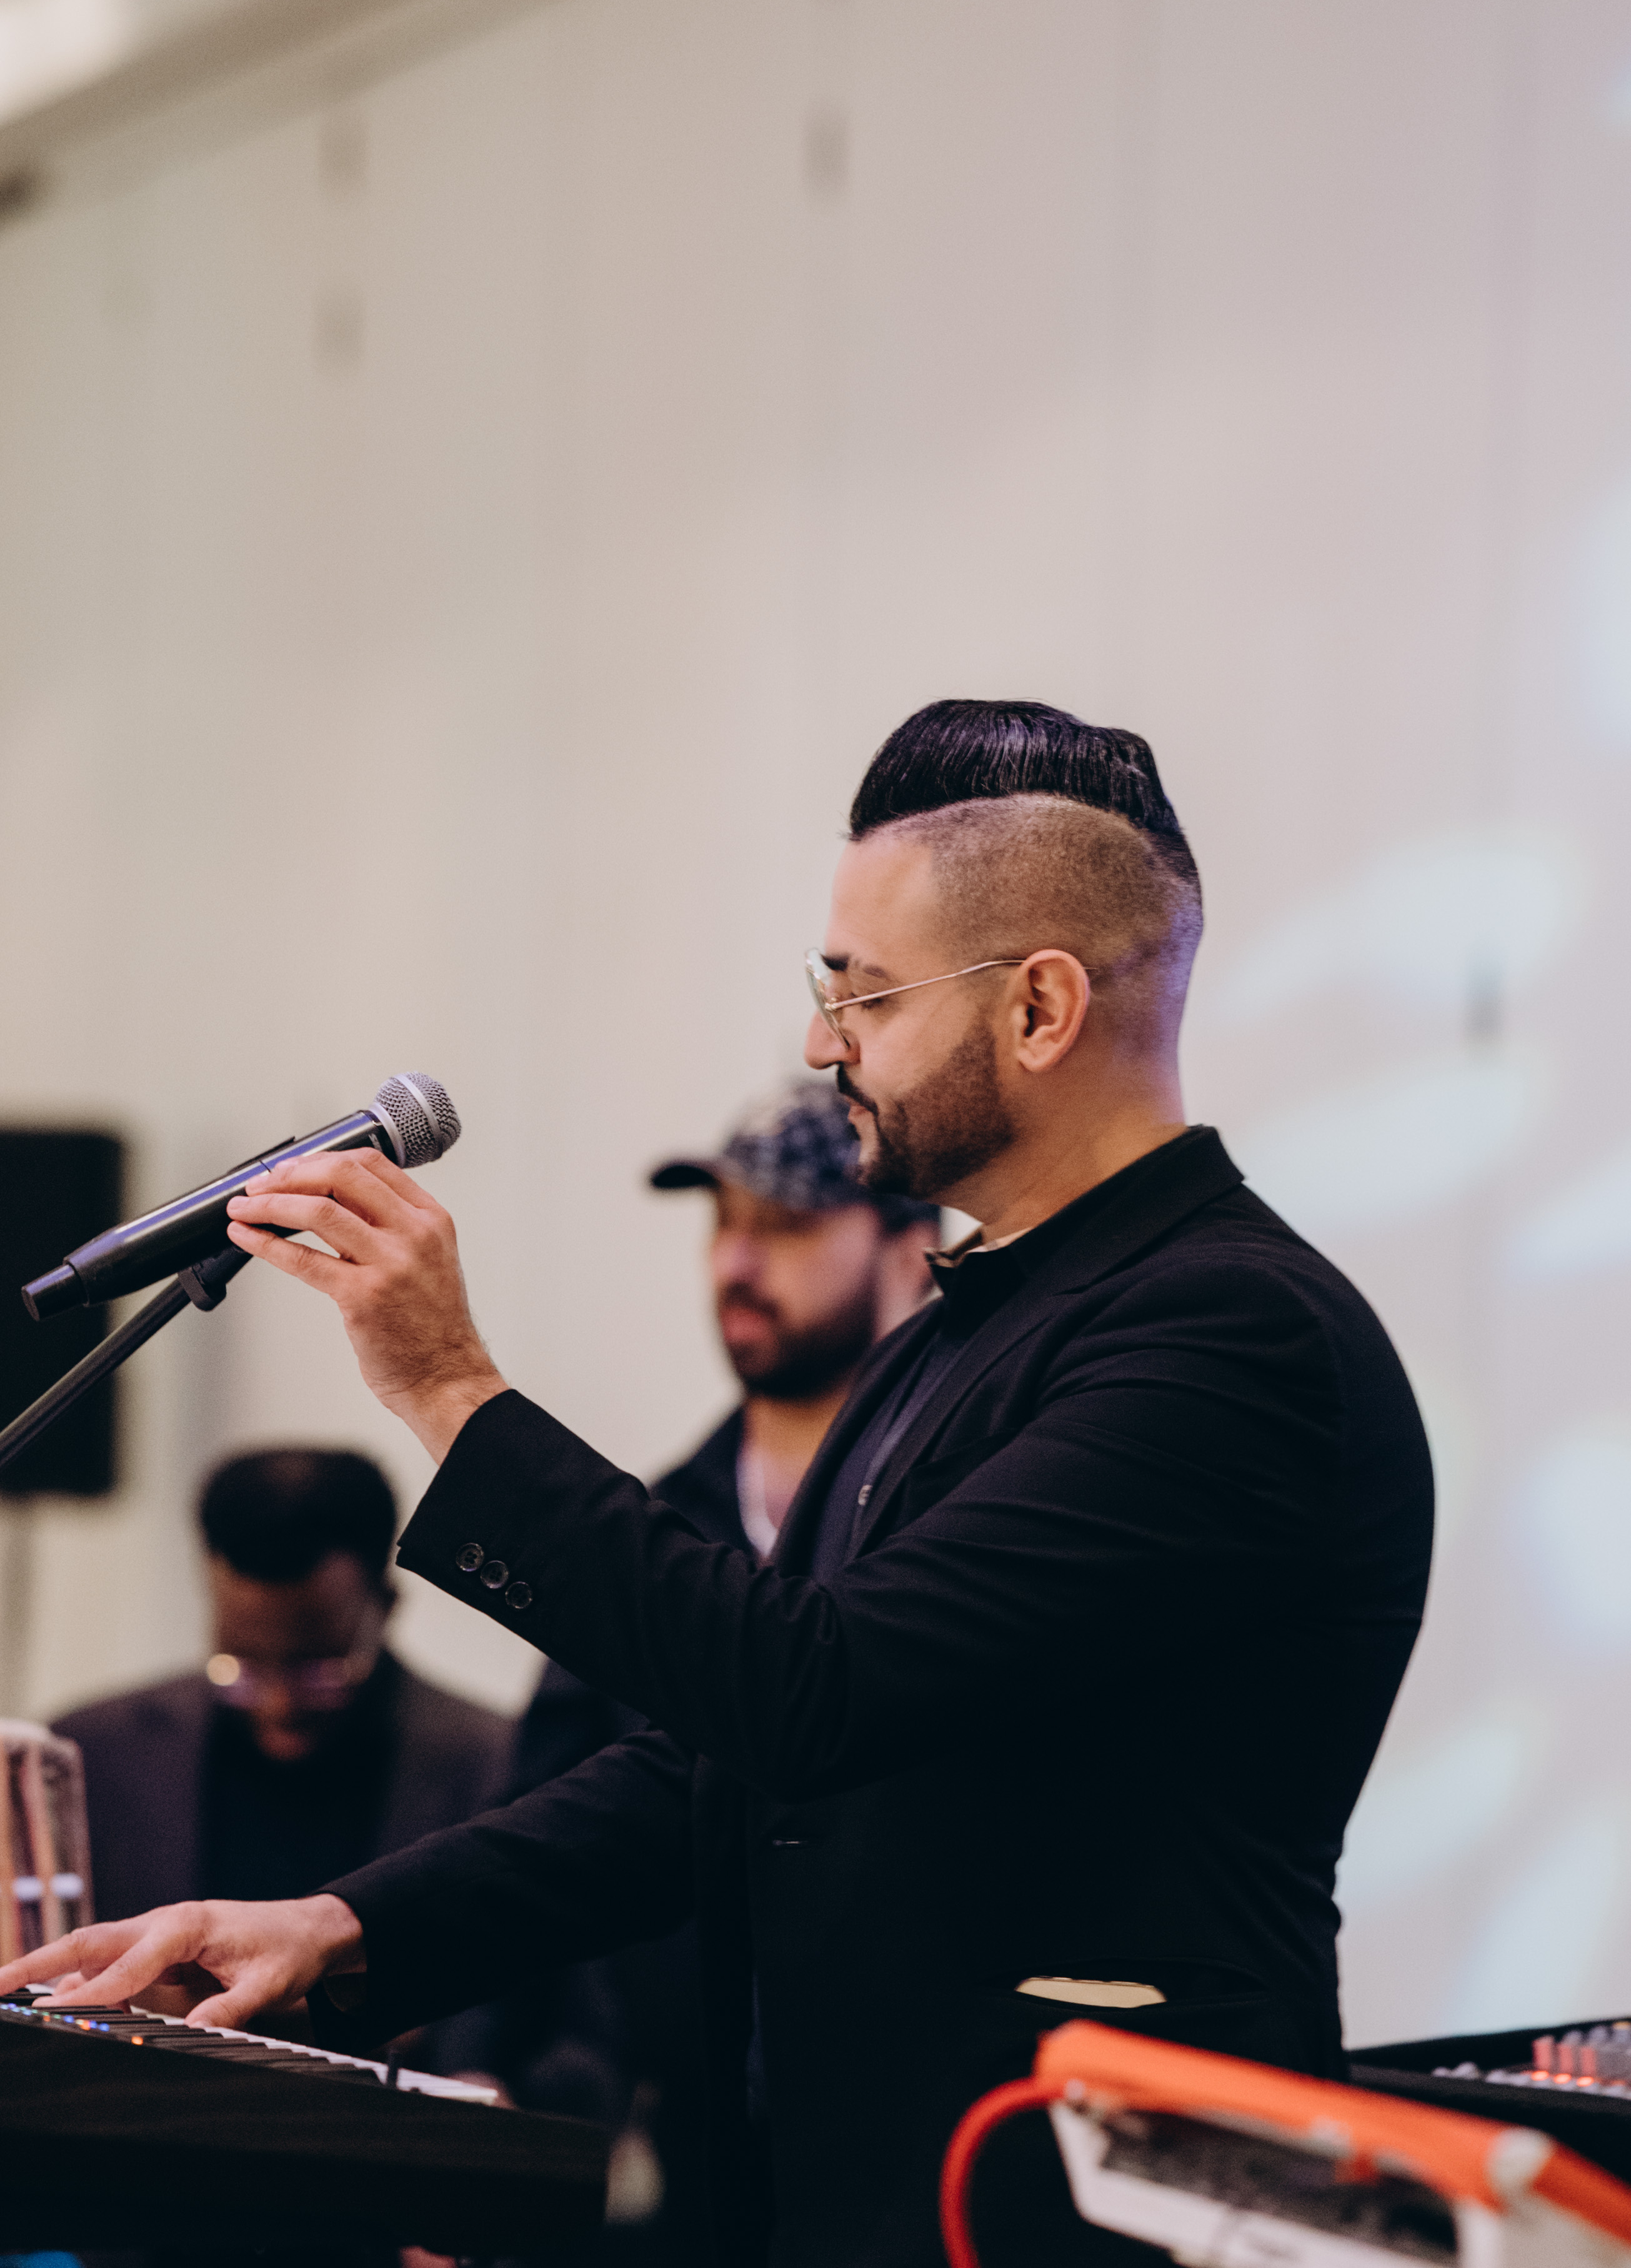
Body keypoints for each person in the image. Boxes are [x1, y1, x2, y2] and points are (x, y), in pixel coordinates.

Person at [8, 702, 1435, 2268]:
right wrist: (341, 1927)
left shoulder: (1229, 1332)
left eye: (861, 992)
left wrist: (450, 1387)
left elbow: (814, 1693)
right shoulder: (949, 1336)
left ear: (1039, 1006)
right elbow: (724, 1769)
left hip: (1085, 2204)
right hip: (860, 2196)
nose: (825, 1045)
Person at [499, 1083, 939, 2257]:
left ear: (911, 1247)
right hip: (683, 2148)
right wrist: (481, 2078)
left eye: (786, 1225)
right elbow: (546, 1800)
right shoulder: (656, 1528)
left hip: (919, 2135)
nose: (736, 1264)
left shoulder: (964, 1517)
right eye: (723, 1224)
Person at [54, 1446, 511, 1920]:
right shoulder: (88, 1756)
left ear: (387, 1604)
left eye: (319, 1670)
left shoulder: (503, 1771)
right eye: (242, 1666)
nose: (279, 1706)